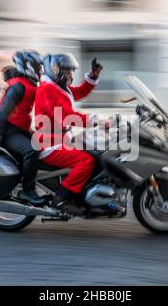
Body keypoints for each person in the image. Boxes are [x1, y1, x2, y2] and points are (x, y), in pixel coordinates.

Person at [34, 53, 103, 215]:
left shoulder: (57, 87)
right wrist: (97, 121)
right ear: (55, 70)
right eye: (68, 71)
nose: (71, 75)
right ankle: (61, 200)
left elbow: (78, 92)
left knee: (96, 148)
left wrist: (92, 77)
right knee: (86, 161)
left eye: (71, 71)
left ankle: (83, 193)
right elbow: (67, 116)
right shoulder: (47, 89)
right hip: (50, 143)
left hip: (62, 138)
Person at [0, 50, 45, 205]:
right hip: (7, 130)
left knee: (46, 144)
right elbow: (2, 113)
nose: (40, 70)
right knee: (31, 150)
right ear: (27, 66)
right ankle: (28, 191)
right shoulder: (18, 86)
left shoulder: (29, 84)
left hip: (19, 128)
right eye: (37, 66)